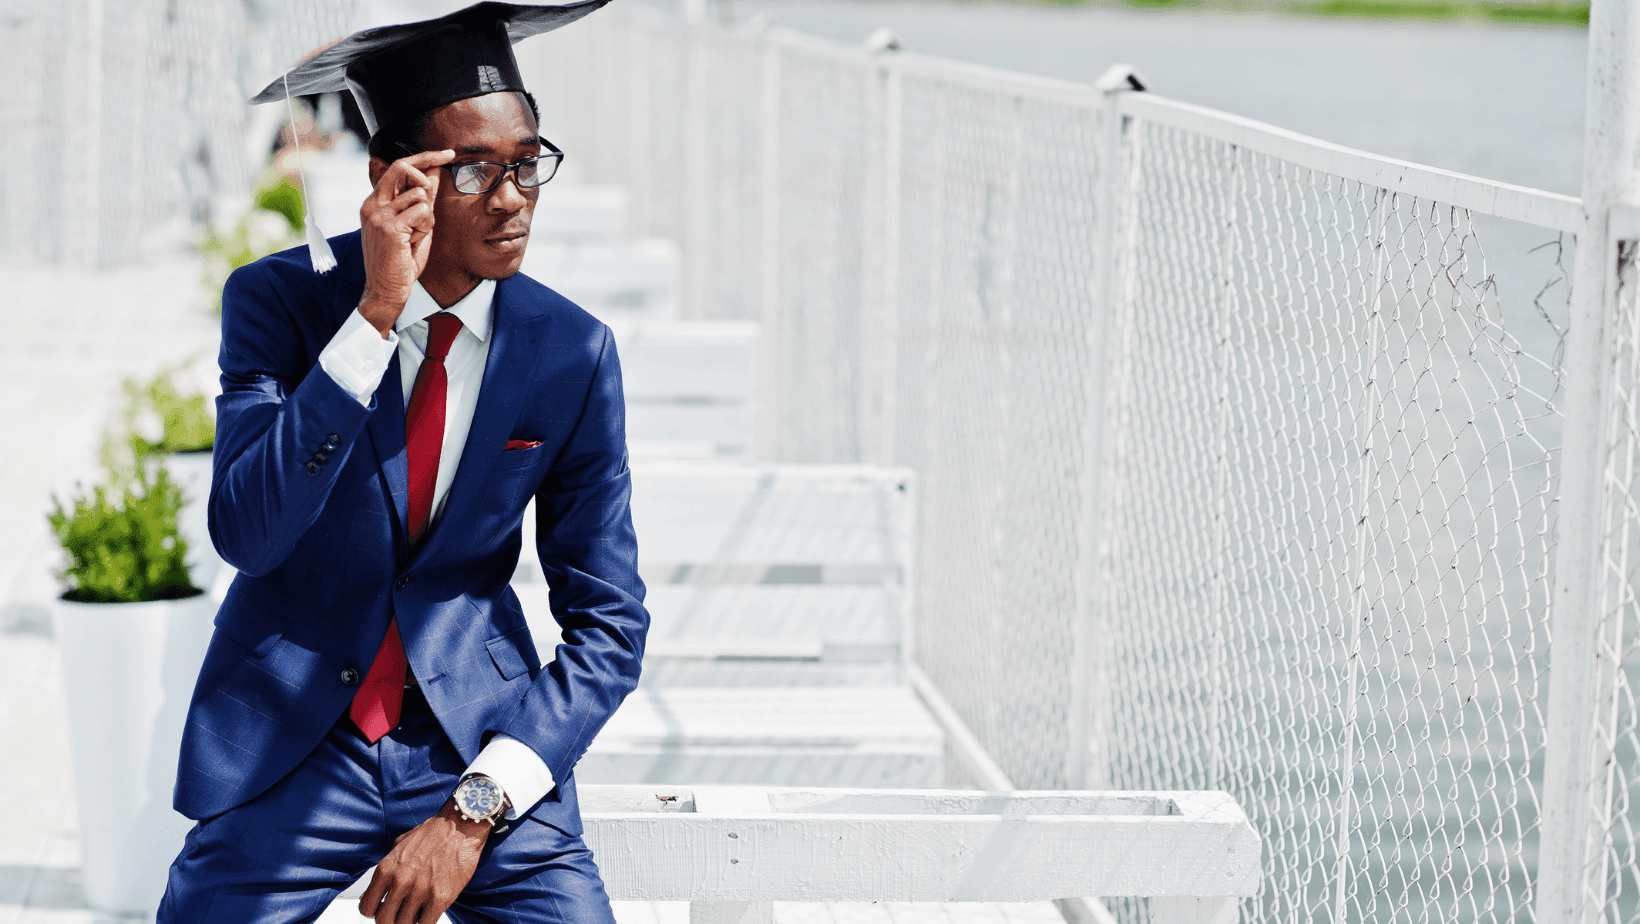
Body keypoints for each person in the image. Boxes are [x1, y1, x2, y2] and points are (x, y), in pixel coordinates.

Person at [157, 3, 646, 922]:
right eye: (473, 171)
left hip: (473, 742)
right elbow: (249, 534)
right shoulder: (278, 304)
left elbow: (610, 627)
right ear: (392, 183)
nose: (511, 199)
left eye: (527, 164)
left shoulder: (570, 352)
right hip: (296, 739)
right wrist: (374, 318)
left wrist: (472, 812)